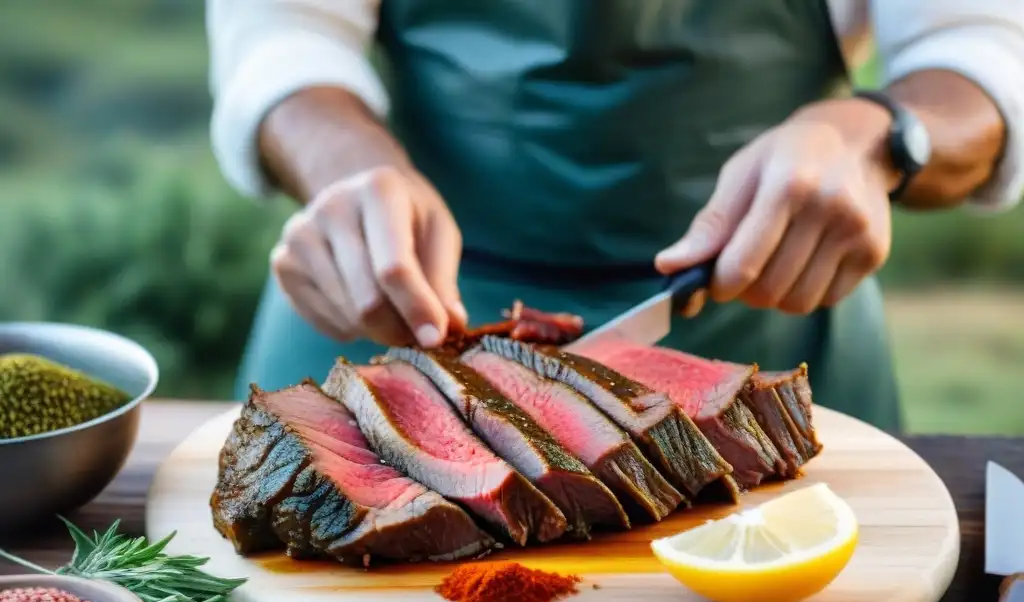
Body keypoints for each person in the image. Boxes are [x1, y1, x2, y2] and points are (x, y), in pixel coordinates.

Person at [206, 0, 1023, 431]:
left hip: (763, 318)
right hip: (388, 309)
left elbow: (983, 53)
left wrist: (879, 135)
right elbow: (282, 34)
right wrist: (352, 171)